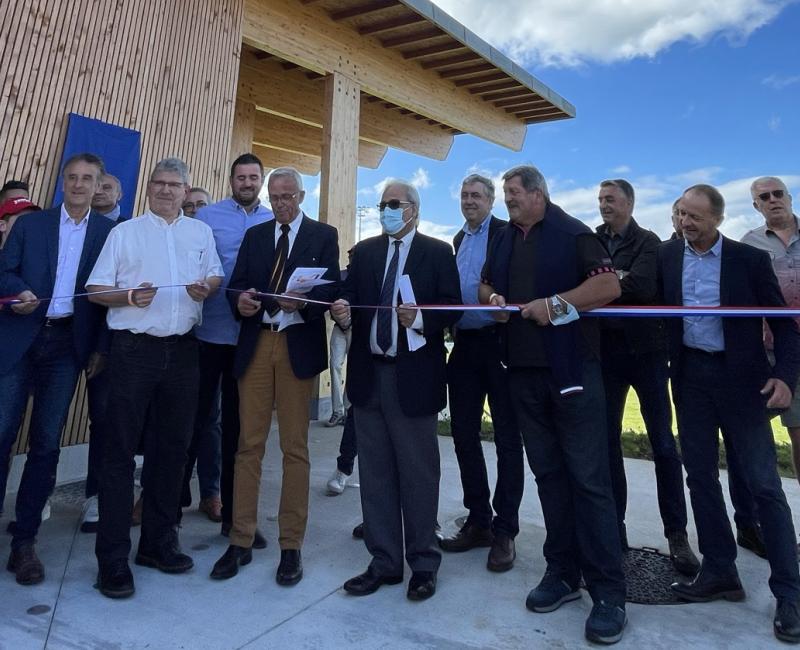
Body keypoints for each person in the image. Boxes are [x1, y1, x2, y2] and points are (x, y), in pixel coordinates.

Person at [479, 165, 627, 644]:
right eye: (506, 194)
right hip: (521, 376)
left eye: (515, 193)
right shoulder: (503, 238)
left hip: (572, 377)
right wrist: (495, 297)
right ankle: (561, 573)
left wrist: (556, 305)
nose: (508, 200)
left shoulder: (574, 233)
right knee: (549, 478)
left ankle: (608, 592)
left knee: (589, 482)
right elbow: (483, 286)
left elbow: (608, 287)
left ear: (539, 194)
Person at [661, 184, 800, 643]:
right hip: (691, 380)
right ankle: (720, 571)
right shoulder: (668, 257)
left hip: (743, 382)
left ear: (717, 219)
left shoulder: (748, 260)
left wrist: (785, 377)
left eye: (695, 217)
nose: (686, 223)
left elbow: (784, 324)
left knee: (763, 485)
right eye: (682, 214)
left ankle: (789, 592)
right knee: (699, 477)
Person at [86, 157, 223, 599]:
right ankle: (112, 559)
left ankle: (158, 544)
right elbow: (95, 289)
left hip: (184, 351)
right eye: (158, 184)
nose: (165, 191)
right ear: (148, 188)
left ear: (186, 191)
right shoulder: (123, 233)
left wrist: (209, 287)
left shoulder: (199, 232)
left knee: (173, 452)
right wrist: (126, 296)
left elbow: (216, 274)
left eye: (173, 185)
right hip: (133, 352)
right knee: (118, 453)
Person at [330, 179, 462, 602]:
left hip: (414, 379)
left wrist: (421, 318)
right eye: (382, 203)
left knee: (419, 474)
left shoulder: (438, 253)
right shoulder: (365, 252)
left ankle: (423, 563)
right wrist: (343, 311)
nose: (385, 210)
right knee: (375, 474)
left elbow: (453, 308)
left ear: (413, 210)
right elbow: (347, 297)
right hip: (370, 377)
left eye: (393, 204)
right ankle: (384, 561)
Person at [211, 167, 339, 586]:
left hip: (296, 348)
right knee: (248, 445)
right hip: (257, 344)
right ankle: (241, 539)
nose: (282, 203)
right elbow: (237, 287)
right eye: (276, 196)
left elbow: (332, 290)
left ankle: (291, 546)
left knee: (294, 449)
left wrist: (302, 301)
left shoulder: (324, 235)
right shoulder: (256, 236)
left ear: (301, 195)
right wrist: (242, 302)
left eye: (289, 196)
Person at [0, 153, 113, 585]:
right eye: (72, 177)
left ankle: (24, 543)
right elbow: (3, 272)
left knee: (46, 443)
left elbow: (108, 297)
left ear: (99, 185)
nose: (79, 184)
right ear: (62, 182)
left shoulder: (107, 233)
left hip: (67, 346)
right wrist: (20, 290)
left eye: (88, 178)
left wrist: (100, 348)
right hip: (19, 337)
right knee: (2, 435)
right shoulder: (31, 225)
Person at [595, 179, 699, 575]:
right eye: (601, 199)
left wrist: (603, 283)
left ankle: (677, 536)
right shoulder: (591, 240)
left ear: (629, 203)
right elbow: (591, 282)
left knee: (663, 446)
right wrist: (612, 281)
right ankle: (613, 531)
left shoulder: (649, 240)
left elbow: (642, 284)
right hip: (606, 353)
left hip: (649, 353)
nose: (604, 205)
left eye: (611, 199)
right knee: (606, 445)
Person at [440, 174, 524, 574]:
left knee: (508, 439)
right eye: (464, 194)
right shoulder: (458, 240)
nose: (469, 200)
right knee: (463, 434)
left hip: (502, 344)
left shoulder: (508, 234)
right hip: (466, 345)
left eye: (476, 195)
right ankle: (478, 519)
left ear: (491, 201)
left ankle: (505, 529)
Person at [186, 154, 272, 533]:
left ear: (261, 180)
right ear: (232, 180)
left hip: (250, 340)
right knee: (194, 421)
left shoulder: (273, 220)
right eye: (241, 177)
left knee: (239, 430)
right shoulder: (209, 217)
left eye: (254, 177)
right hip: (209, 333)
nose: (247, 182)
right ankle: (168, 508)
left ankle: (230, 512)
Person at [741, 176, 800, 546]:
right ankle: (752, 525)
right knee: (749, 442)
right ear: (756, 206)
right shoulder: (748, 244)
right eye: (764, 196)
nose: (773, 199)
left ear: (790, 198)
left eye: (779, 193)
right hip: (763, 354)